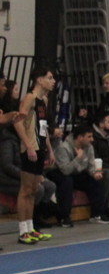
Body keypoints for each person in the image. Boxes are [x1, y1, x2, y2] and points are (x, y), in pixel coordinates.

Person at [13, 65, 56, 241]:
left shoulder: (44, 100)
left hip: (40, 148)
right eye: (50, 78)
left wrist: (49, 149)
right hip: (30, 149)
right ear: (39, 79)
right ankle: (23, 231)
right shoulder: (29, 98)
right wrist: (28, 145)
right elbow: (17, 122)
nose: (53, 81)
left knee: (34, 190)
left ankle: (31, 228)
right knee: (25, 190)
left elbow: (43, 126)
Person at [51, 123, 109, 228]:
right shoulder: (63, 148)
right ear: (80, 137)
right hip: (59, 173)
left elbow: (91, 166)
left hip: (76, 173)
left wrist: (94, 173)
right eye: (89, 137)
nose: (92, 139)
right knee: (67, 182)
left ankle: (97, 214)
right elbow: (65, 170)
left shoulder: (89, 147)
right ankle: (64, 217)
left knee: (95, 181)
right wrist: (78, 158)